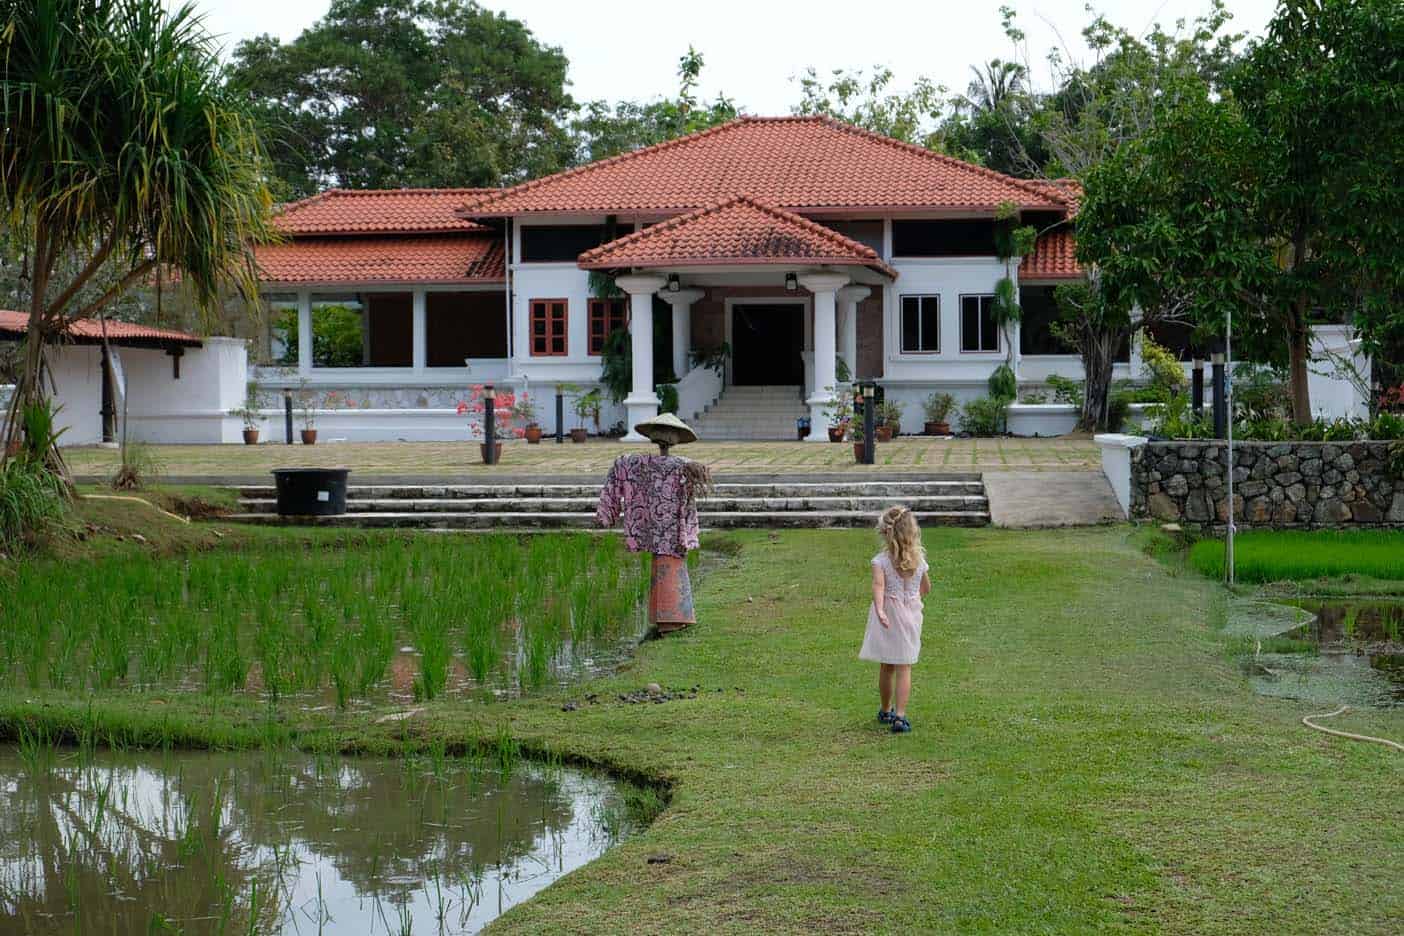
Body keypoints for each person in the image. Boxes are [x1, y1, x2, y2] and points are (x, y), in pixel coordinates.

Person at [859, 505, 930, 734]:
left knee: (887, 664)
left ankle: (886, 708)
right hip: (910, 615)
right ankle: (900, 716)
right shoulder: (918, 560)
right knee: (904, 666)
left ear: (885, 533)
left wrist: (881, 610)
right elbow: (926, 588)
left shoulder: (880, 561)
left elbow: (879, 586)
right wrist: (912, 598)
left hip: (889, 615)